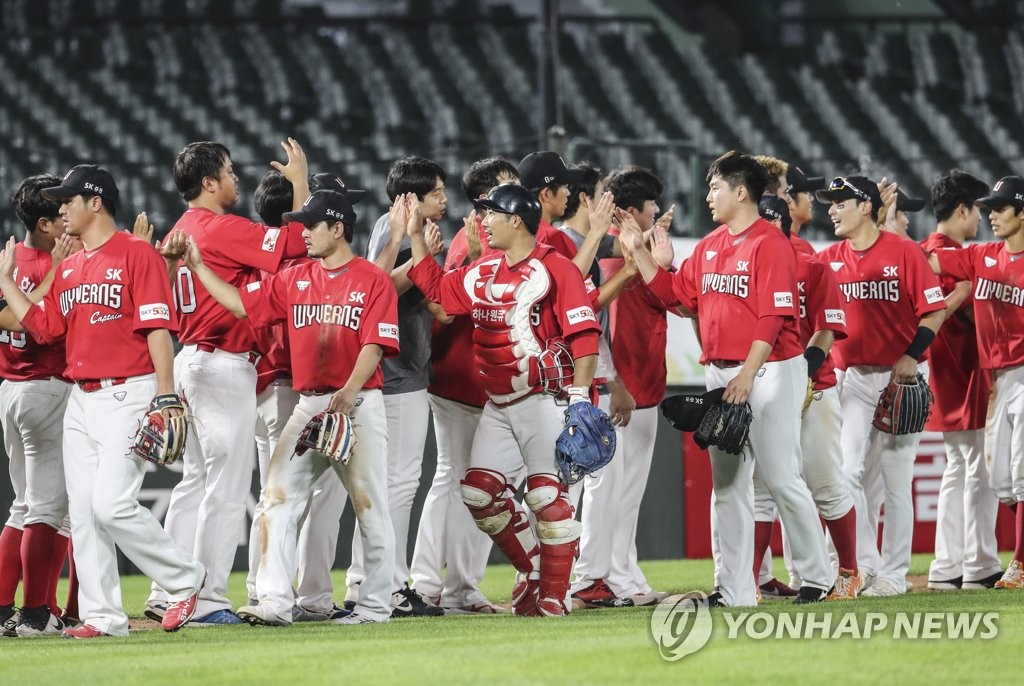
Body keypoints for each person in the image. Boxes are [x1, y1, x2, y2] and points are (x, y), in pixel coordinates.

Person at [0, 165, 207, 638]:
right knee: (86, 512)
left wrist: (165, 392)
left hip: (129, 392)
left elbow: (158, 327)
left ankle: (184, 579)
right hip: (79, 398)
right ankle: (104, 616)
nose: (62, 208)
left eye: (69, 200)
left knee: (112, 504)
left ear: (96, 203)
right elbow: (45, 328)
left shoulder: (137, 255)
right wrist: (7, 281)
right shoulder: (70, 266)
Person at [622, 151, 833, 607]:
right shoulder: (710, 245)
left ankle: (818, 576)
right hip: (721, 370)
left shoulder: (769, 243)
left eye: (715, 187)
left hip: (772, 368)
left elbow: (774, 315)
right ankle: (734, 588)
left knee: (780, 477)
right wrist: (641, 253)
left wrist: (748, 375)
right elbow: (675, 298)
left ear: (742, 192)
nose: (708, 195)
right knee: (728, 485)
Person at [184, 188, 399, 625]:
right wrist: (200, 268)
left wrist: (350, 391)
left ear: (337, 229)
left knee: (369, 504)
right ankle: (276, 602)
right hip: (308, 405)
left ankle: (375, 606)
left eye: (311, 224)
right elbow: (243, 305)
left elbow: (376, 343)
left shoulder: (372, 279)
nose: (302, 231)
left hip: (357, 405)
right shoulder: (295, 276)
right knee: (277, 498)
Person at [406, 184, 602, 616]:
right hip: (498, 402)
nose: (482, 221)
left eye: (491, 213)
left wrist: (578, 400)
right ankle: (533, 567)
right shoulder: (486, 268)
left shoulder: (558, 269)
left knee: (546, 498)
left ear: (517, 220)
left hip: (544, 400)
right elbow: (438, 295)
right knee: (479, 493)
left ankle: (553, 597)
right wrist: (417, 237)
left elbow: (584, 337)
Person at [148, 139, 311, 626]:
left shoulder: (181, 228)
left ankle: (166, 589)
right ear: (208, 183)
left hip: (190, 360)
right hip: (222, 365)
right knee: (225, 486)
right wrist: (300, 183)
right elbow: (297, 245)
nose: (236, 178)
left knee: (193, 483)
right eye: (229, 171)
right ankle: (208, 597)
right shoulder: (217, 228)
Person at [816, 175, 947, 596]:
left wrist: (911, 355)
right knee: (847, 472)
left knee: (895, 478)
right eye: (830, 203)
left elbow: (935, 312)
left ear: (867, 206)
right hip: (853, 377)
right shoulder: (829, 258)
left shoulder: (905, 252)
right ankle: (864, 565)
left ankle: (893, 573)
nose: (833, 209)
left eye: (841, 202)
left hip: (903, 376)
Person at [407, 157, 518, 613]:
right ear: (486, 199)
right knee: (473, 484)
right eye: (510, 185)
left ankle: (433, 582)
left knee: (455, 481)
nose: (519, 191)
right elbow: (445, 305)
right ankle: (455, 588)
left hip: (463, 379)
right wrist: (473, 259)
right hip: (463, 379)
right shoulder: (474, 238)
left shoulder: (487, 236)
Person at [571, 165, 674, 607]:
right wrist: (613, 382)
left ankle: (620, 575)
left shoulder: (623, 251)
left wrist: (650, 245)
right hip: (626, 390)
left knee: (616, 494)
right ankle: (605, 578)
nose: (656, 212)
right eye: (651, 206)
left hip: (630, 385)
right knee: (615, 493)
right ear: (631, 210)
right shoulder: (618, 259)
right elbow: (598, 323)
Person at [352, 156, 447, 617]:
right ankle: (386, 585)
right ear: (410, 199)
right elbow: (373, 289)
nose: (444, 200)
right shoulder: (390, 229)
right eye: (436, 193)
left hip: (407, 368)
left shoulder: (413, 234)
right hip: (394, 375)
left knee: (388, 483)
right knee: (399, 484)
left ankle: (362, 580)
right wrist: (419, 257)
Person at [756, 195, 860, 600]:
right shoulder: (743, 265)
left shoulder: (810, 264)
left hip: (814, 387)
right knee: (761, 489)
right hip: (764, 386)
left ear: (782, 227)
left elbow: (828, 327)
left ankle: (849, 571)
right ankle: (748, 579)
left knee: (825, 483)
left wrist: (801, 371)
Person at [927, 175, 1024, 590]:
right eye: (989, 208)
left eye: (1001, 208)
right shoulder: (982, 255)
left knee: (1018, 476)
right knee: (1000, 479)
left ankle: (1018, 565)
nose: (992, 215)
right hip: (996, 380)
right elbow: (925, 262)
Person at [0, 175, 75, 636]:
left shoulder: (6, 262)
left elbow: (8, 315)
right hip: (46, 388)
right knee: (48, 510)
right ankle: (35, 614)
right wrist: (57, 271)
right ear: (44, 223)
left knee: (23, 507)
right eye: (61, 210)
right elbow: (38, 323)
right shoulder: (55, 264)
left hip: (10, 388)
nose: (69, 215)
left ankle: (16, 608)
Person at [783, 165, 826, 256]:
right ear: (790, 201)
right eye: (806, 192)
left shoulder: (762, 238)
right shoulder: (800, 248)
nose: (812, 198)